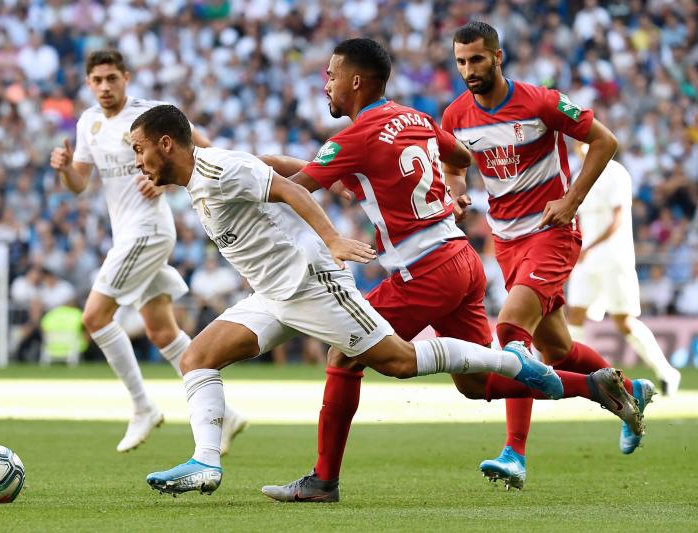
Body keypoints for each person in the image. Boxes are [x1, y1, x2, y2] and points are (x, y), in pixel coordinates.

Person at [129, 103, 615, 498]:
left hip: (311, 283)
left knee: (399, 362)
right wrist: (331, 179)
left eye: (139, 149)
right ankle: (205, 464)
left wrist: (333, 238)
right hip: (274, 295)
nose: (137, 161)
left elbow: (285, 191)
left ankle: (507, 362)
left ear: (166, 144)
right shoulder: (208, 172)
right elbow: (270, 168)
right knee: (198, 357)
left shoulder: (217, 168)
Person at [260, 38, 645, 500]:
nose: (326, 84)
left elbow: (293, 189)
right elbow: (458, 158)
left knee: (345, 353)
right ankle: (594, 387)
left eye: (331, 75)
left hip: (427, 269)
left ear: (355, 81)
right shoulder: (416, 117)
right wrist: (456, 187)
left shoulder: (354, 137)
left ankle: (324, 480)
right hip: (463, 260)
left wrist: (230, 176)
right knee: (477, 381)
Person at [440, 22, 655, 488]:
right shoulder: (456, 115)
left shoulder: (540, 101)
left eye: (477, 59)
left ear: (498, 57)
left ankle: (514, 454)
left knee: (512, 335)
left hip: (552, 232)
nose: (468, 70)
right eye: (460, 61)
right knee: (556, 350)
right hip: (506, 241)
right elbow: (454, 163)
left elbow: (606, 140)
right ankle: (629, 389)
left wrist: (572, 200)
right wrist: (457, 194)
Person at [49, 50, 247, 454]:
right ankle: (225, 413)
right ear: (88, 84)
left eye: (112, 78)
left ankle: (143, 406)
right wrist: (65, 168)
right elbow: (79, 184)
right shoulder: (89, 122)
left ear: (126, 77)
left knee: (94, 317)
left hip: (149, 231)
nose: (105, 87)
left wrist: (166, 181)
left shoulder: (151, 115)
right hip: (125, 233)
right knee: (160, 330)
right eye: (97, 80)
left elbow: (203, 150)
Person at [566, 143, 681, 399]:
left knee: (624, 321)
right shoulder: (578, 175)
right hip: (587, 258)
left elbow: (618, 218)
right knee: (574, 314)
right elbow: (580, 218)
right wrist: (579, 246)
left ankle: (667, 372)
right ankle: (580, 377)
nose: (580, 147)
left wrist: (590, 246)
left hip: (613, 258)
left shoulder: (616, 172)